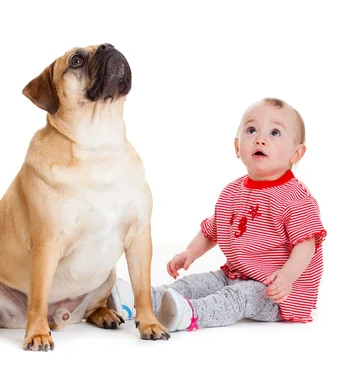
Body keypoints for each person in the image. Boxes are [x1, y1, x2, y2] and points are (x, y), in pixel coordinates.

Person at [109, 98, 327, 332]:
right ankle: (140, 300)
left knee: (237, 297)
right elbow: (214, 229)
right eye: (251, 130)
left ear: (297, 153)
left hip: (277, 292)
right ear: (236, 147)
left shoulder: (295, 197)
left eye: (275, 133)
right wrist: (190, 252)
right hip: (234, 273)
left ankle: (190, 314)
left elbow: (306, 244)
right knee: (194, 283)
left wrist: (287, 276)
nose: (260, 139)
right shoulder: (233, 192)